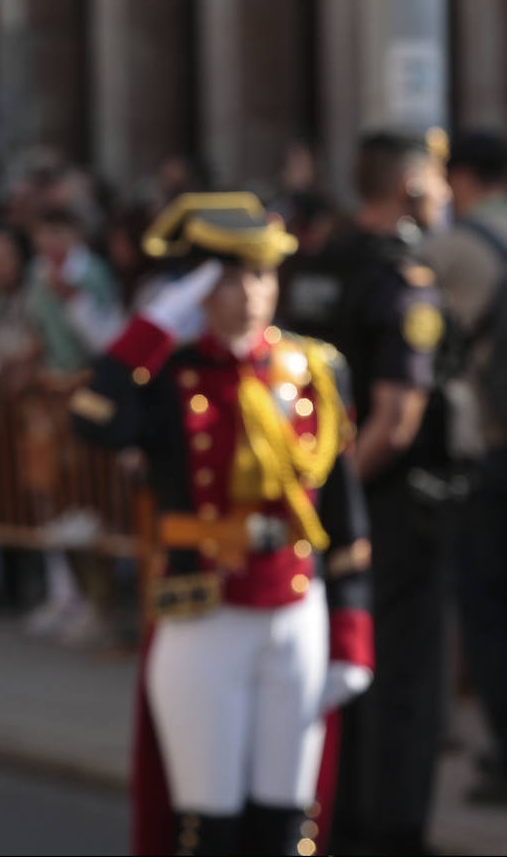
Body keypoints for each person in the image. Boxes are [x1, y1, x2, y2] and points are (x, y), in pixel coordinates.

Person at [69, 193, 374, 855]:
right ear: (198, 288)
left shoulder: (316, 369)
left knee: (289, 822)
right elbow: (93, 419)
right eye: (228, 277)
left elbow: (344, 510)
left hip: (295, 608)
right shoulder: (169, 374)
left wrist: (352, 630)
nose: (250, 293)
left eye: (261, 274)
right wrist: (153, 326)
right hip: (203, 612)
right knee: (209, 823)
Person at [278, 129, 449, 855]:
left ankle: (335, 822)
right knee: (402, 681)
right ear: (412, 188)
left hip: (311, 511)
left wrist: (309, 494)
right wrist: (342, 490)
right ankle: (393, 835)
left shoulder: (314, 268)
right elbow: (397, 418)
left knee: (338, 671)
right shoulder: (400, 277)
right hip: (387, 512)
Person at [424, 128, 507, 805]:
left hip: (491, 447)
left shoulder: (455, 249)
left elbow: (415, 340)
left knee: (486, 604)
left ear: (464, 179)